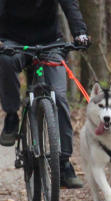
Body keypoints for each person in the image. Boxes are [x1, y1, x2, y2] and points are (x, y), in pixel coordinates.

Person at [0, 0, 89, 188]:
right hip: (13, 42)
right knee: (5, 62)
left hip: (50, 43)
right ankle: (11, 116)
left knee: (58, 95)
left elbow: (70, 6)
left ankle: (63, 162)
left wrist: (80, 32)